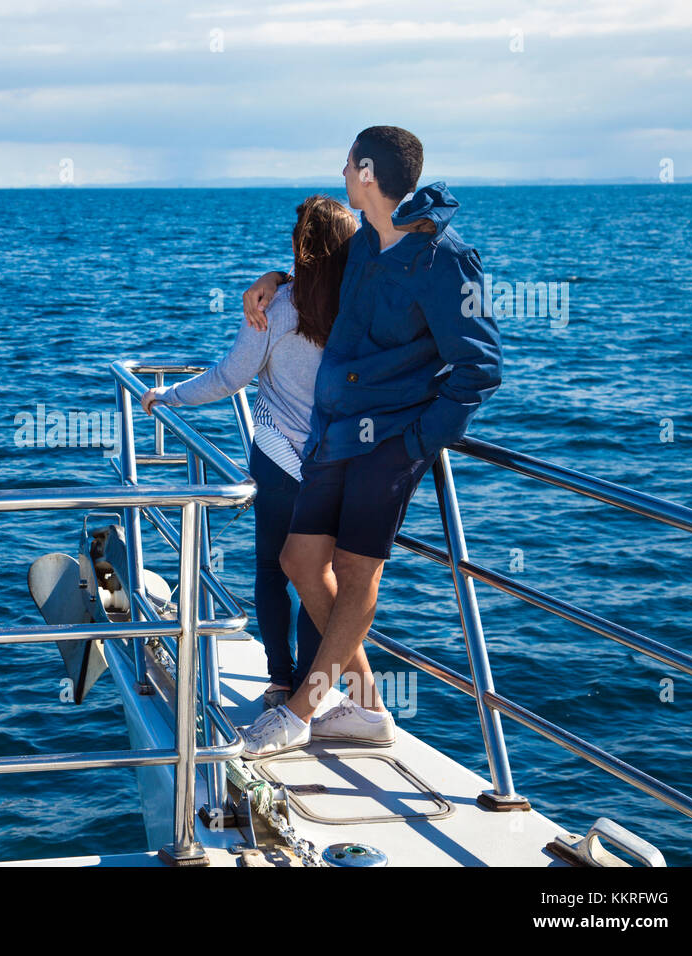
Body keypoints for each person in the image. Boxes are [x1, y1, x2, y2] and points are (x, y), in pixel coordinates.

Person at [238, 126, 503, 756]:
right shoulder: (363, 243)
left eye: (345, 164)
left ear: (365, 170)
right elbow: (316, 272)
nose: (340, 172)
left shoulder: (444, 258)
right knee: (300, 563)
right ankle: (370, 711)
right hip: (332, 435)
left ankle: (302, 711)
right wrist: (273, 277)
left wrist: (417, 441)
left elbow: (480, 366)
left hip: (387, 442)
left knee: (356, 571)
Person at [141, 195, 358, 710]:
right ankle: (313, 685)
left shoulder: (277, 309)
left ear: (299, 248)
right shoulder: (359, 306)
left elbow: (230, 377)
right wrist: (275, 275)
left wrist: (167, 396)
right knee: (319, 574)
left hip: (280, 455)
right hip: (337, 460)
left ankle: (280, 682)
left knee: (272, 568)